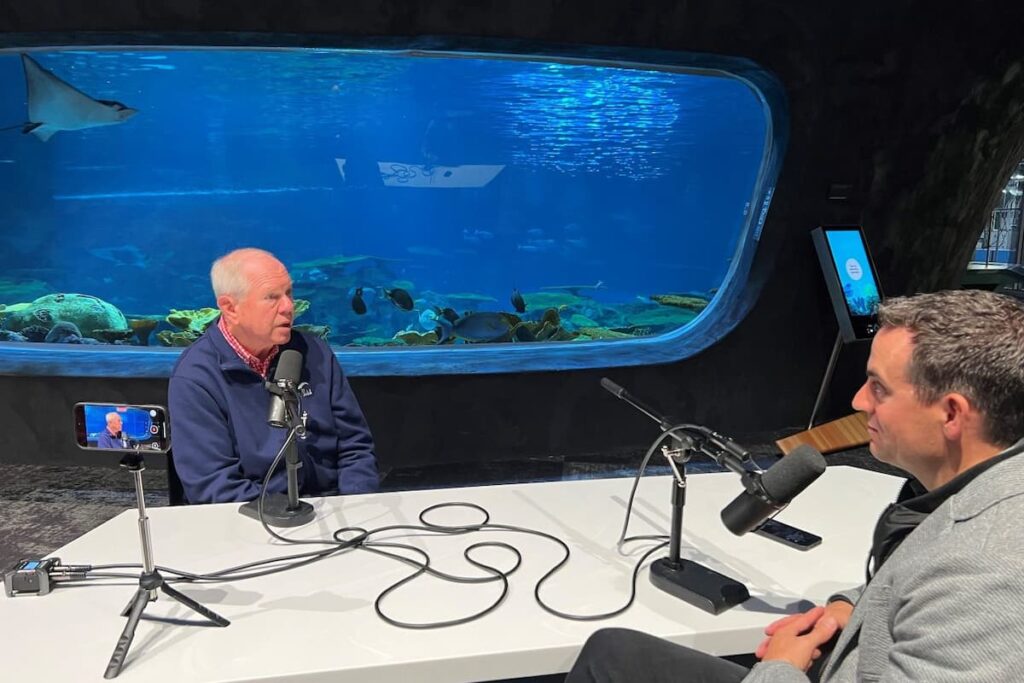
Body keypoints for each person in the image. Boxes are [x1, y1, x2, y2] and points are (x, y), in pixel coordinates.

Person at [566, 289, 1024, 682]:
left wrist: (782, 667)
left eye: (879, 388)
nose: (859, 401)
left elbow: (955, 594)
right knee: (612, 655)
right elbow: (924, 592)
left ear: (951, 414)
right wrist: (849, 610)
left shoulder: (987, 573)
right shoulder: (975, 491)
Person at [168, 248, 380, 504]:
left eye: (289, 293)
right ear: (230, 307)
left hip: (336, 509)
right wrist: (292, 517)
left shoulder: (315, 352)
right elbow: (214, 485)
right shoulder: (195, 378)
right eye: (272, 297)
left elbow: (355, 447)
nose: (288, 307)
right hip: (252, 519)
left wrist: (358, 505)